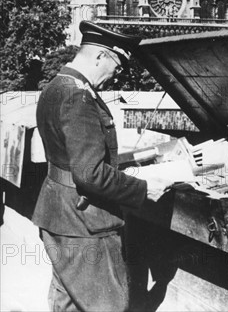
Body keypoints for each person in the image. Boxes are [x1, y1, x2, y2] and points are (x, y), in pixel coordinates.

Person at [32, 21, 170, 312]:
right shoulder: (79, 96)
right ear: (100, 56)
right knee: (106, 305)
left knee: (68, 303)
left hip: (59, 215)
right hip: (84, 222)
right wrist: (144, 189)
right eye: (117, 67)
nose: (115, 77)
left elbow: (69, 159)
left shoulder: (55, 87)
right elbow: (90, 174)